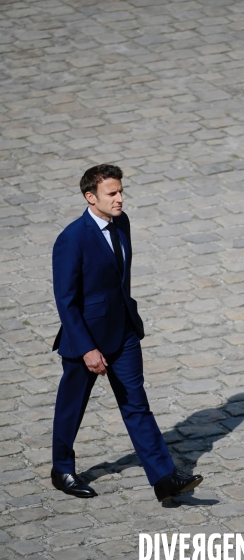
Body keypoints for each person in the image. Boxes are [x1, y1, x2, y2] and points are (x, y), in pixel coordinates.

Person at [51, 164, 203, 501]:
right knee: (71, 407)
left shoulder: (123, 223)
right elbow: (66, 301)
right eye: (112, 193)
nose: (120, 199)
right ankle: (61, 469)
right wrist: (87, 348)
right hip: (85, 340)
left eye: (121, 191)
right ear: (91, 198)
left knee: (137, 405)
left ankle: (164, 478)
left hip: (123, 333)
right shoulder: (71, 239)